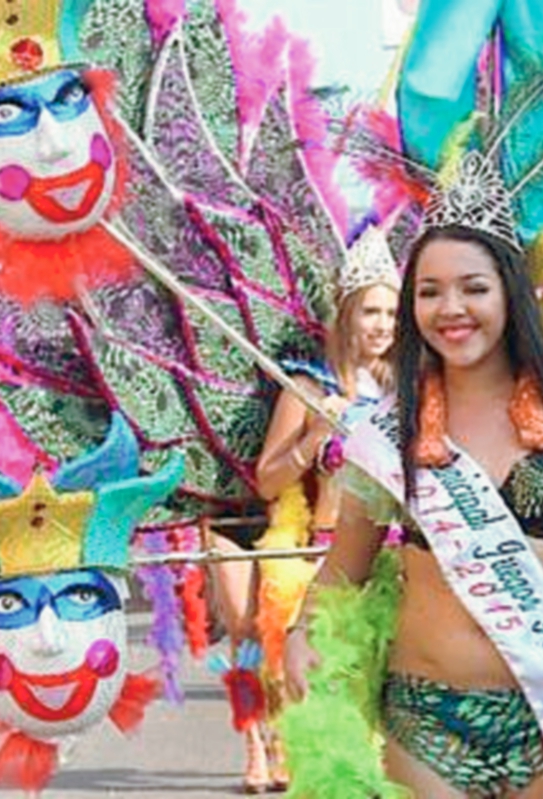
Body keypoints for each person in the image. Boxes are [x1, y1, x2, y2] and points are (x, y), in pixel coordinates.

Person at [284, 225, 543, 797]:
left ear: (509, 292)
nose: (451, 308)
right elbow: (345, 565)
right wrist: (303, 629)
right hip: (425, 720)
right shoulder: (388, 425)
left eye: (472, 288)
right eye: (429, 292)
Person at [212, 230, 400, 795]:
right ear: (346, 315)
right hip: (316, 554)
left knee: (375, 689)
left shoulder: (411, 390)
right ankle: (259, 742)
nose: (383, 325)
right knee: (289, 672)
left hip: (389, 558)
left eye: (393, 312)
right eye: (371, 310)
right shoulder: (307, 389)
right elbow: (268, 479)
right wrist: (315, 433)